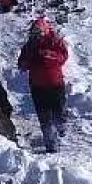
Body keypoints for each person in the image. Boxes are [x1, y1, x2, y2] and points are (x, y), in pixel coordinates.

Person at [17, 16, 69, 153]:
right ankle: (51, 144)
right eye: (34, 33)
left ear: (45, 30)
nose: (37, 36)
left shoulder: (54, 41)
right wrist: (28, 61)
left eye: (39, 32)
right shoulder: (29, 46)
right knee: (44, 116)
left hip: (55, 83)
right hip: (37, 86)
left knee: (59, 110)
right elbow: (21, 64)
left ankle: (61, 126)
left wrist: (49, 55)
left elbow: (63, 57)